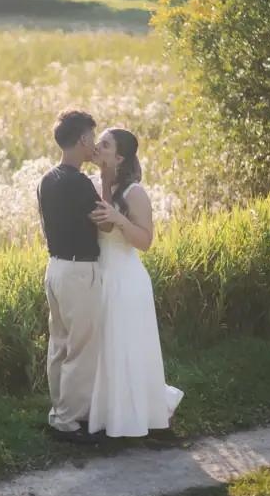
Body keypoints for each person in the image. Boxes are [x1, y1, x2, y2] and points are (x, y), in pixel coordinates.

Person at [88, 128, 183, 438]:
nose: (96, 147)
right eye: (96, 142)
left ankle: (150, 415)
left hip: (127, 279)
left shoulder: (135, 193)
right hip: (99, 276)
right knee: (105, 348)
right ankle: (108, 417)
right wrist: (102, 181)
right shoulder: (92, 185)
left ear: (118, 157)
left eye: (104, 144)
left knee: (129, 349)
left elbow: (144, 241)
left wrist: (121, 220)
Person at [37, 109, 113, 443]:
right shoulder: (79, 181)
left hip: (55, 267)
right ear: (83, 140)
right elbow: (108, 223)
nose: (94, 145)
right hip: (79, 272)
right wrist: (106, 176)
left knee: (60, 344)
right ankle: (69, 421)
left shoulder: (46, 179)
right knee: (81, 347)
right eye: (92, 139)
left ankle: (59, 413)